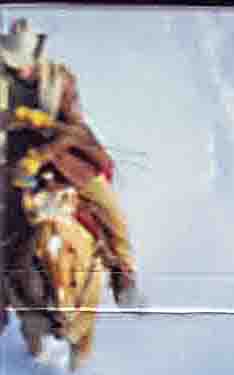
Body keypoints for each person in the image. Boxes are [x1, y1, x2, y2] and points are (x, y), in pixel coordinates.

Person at [0, 18, 141, 308]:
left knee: (110, 210)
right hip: (15, 159)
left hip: (66, 157)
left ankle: (123, 273)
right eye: (14, 63)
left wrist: (43, 145)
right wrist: (18, 118)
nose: (20, 69)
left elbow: (74, 130)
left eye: (23, 63)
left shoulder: (60, 80)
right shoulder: (3, 80)